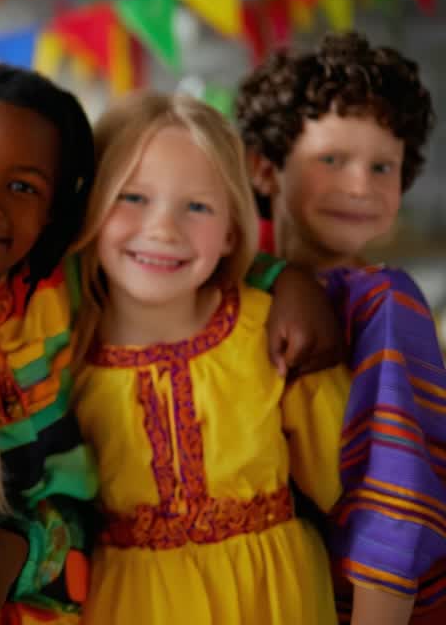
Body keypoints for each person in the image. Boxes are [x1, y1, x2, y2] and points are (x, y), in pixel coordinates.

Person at [72, 92, 349, 624]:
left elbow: (346, 485)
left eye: (196, 206)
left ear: (230, 233)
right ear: (92, 206)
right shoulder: (64, 353)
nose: (163, 229)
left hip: (276, 599)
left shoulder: (275, 330)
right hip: (130, 606)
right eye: (132, 197)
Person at [237, 31, 445, 625]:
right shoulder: (241, 290)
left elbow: (398, 495)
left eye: (384, 166)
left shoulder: (386, 303)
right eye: (333, 160)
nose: (361, 186)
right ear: (265, 168)